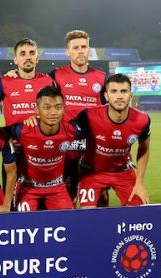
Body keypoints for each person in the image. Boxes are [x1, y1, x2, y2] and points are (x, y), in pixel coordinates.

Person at [49, 30, 108, 206]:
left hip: (93, 148)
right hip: (65, 148)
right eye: (75, 47)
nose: (80, 51)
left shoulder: (102, 78)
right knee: (65, 198)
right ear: (68, 52)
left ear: (89, 49)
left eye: (84, 46)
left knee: (99, 199)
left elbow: (108, 114)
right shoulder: (55, 76)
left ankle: (98, 232)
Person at [75, 73, 151, 207]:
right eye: (114, 91)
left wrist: (139, 183)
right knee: (88, 215)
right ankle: (102, 200)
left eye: (124, 91)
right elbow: (64, 135)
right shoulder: (88, 116)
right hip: (92, 172)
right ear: (106, 95)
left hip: (122, 172)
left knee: (140, 211)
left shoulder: (142, 120)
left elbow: (144, 149)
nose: (119, 96)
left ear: (130, 95)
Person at [11, 86, 79, 211]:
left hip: (57, 187)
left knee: (68, 223)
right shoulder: (23, 130)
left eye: (58, 107)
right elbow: (1, 136)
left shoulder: (72, 130)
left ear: (64, 109)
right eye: (47, 108)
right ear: (36, 110)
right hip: (28, 187)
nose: (53, 112)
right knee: (24, 225)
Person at [0, 38, 55, 126]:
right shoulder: (4, 82)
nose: (28, 57)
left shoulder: (48, 81)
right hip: (15, 138)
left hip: (42, 138)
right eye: (23, 54)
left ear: (37, 58)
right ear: (15, 59)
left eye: (32, 53)